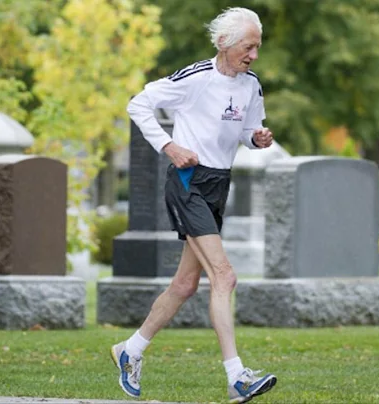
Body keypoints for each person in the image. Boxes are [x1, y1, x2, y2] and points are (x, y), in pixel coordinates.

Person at [111, 7, 277, 404]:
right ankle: (236, 377)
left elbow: (245, 131)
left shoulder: (251, 85)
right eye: (247, 46)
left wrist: (258, 139)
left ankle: (130, 350)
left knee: (186, 284)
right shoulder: (195, 78)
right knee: (224, 276)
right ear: (224, 43)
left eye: (257, 47)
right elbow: (138, 105)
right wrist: (168, 146)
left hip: (219, 184)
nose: (253, 55)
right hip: (188, 183)